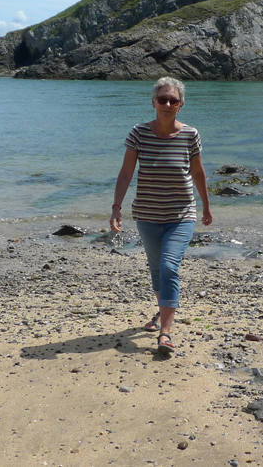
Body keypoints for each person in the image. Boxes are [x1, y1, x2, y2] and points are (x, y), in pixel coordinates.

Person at [109, 77, 212, 355]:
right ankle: (161, 312)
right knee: (157, 270)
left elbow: (198, 172)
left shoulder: (191, 134)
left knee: (169, 266)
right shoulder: (139, 133)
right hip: (147, 215)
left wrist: (206, 205)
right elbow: (126, 173)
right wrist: (116, 207)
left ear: (181, 105)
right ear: (153, 102)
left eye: (173, 100)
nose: (167, 104)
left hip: (182, 215)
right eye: (162, 99)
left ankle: (165, 333)